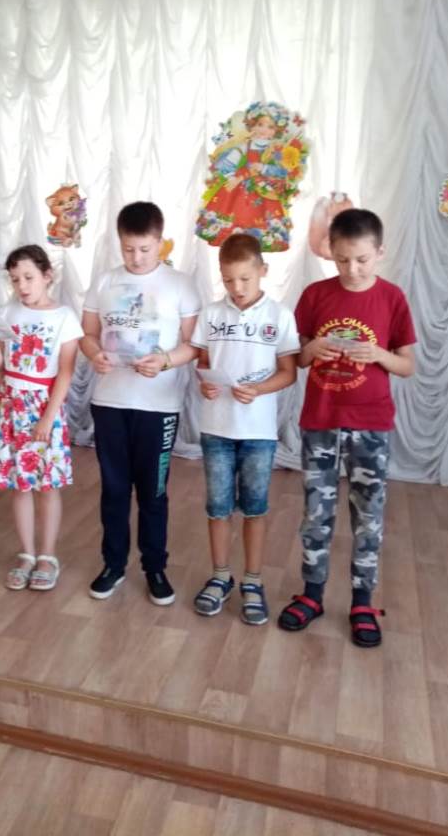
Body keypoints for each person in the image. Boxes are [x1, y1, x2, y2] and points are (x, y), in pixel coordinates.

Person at [277, 209, 416, 648]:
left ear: (380, 252)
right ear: (330, 254)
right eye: (341, 260)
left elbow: (407, 366)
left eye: (361, 260)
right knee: (316, 513)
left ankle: (361, 601)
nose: (351, 269)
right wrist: (312, 349)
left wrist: (378, 355)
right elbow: (296, 359)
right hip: (320, 421)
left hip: (371, 426)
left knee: (368, 517)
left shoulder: (392, 298)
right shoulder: (315, 295)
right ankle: (312, 593)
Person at [81, 201, 200, 606]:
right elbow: (87, 334)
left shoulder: (181, 285)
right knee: (114, 489)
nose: (136, 257)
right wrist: (94, 354)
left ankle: (155, 567)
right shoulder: (105, 281)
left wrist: (166, 360)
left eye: (145, 249)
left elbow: (194, 345)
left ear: (160, 242)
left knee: (153, 491)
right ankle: (113, 564)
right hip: (110, 401)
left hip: (158, 406)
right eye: (128, 249)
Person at [190, 233, 298, 624]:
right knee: (218, 508)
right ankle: (220, 576)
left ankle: (253, 581)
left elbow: (288, 372)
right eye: (228, 279)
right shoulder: (210, 314)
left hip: (258, 434)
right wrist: (205, 383)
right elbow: (203, 363)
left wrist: (259, 389)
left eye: (245, 279)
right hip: (216, 429)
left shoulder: (280, 316)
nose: (236, 288)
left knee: (255, 508)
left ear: (262, 271)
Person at [0, 245, 82, 591]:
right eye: (15, 280)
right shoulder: (7, 311)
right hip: (11, 405)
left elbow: (65, 372)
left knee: (46, 486)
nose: (22, 286)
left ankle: (47, 556)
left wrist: (47, 419)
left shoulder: (64, 317)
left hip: (44, 406)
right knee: (19, 485)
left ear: (47, 276)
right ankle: (26, 553)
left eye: (28, 277)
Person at [196, 101, 304, 252]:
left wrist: (264, 168)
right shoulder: (244, 146)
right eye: (260, 124)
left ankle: (259, 243)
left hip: (265, 192)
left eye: (270, 127)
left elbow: (282, 171)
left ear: (276, 131)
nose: (264, 130)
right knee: (236, 219)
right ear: (252, 125)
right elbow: (225, 164)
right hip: (239, 192)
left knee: (262, 224)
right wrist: (232, 177)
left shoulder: (276, 149)